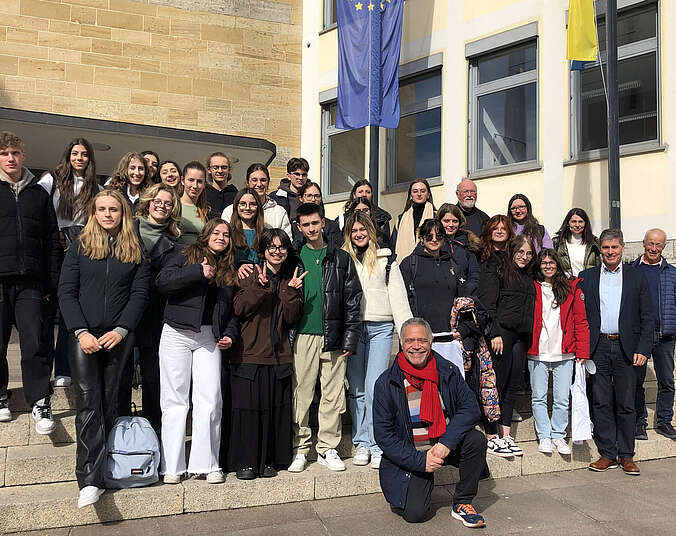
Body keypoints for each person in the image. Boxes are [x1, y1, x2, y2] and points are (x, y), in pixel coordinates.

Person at [58, 189, 150, 508]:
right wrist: (81, 332)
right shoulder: (80, 247)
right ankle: (89, 480)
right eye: (101, 209)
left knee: (112, 403)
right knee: (88, 404)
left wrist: (122, 329)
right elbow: (66, 293)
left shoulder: (134, 248)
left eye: (114, 209)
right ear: (94, 213)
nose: (108, 214)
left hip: (118, 337)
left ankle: (112, 466)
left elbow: (140, 294)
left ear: (122, 213)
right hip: (84, 337)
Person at [373, 317, 487, 528]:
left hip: (444, 443)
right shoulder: (386, 382)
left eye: (422, 341)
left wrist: (446, 444)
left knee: (476, 440)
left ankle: (463, 502)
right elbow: (384, 436)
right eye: (410, 341)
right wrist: (420, 461)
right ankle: (417, 483)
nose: (416, 346)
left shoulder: (447, 370)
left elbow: (470, 407)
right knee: (414, 514)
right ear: (401, 342)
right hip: (413, 452)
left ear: (431, 342)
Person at [155, 219, 239, 484]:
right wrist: (195, 273)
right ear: (206, 234)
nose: (221, 237)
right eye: (216, 232)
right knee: (175, 401)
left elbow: (231, 312)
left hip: (207, 337)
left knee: (211, 399)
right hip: (176, 332)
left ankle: (207, 463)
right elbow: (163, 282)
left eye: (226, 234)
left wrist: (229, 333)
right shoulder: (184, 253)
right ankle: (172, 467)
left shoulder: (228, 269)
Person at [287, 202, 362, 473]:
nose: (310, 229)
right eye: (305, 225)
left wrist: (350, 338)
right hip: (302, 335)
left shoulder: (340, 258)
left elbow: (354, 301)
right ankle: (301, 447)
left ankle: (327, 447)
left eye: (314, 223)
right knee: (302, 394)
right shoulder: (292, 257)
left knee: (332, 394)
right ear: (299, 227)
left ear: (323, 223)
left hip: (333, 335)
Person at [229, 229, 305, 479]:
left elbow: (292, 318)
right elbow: (240, 308)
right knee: (249, 413)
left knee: (275, 411)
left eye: (281, 247)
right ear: (262, 251)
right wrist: (260, 288)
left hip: (279, 356)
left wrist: (293, 293)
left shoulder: (289, 279)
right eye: (271, 247)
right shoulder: (250, 273)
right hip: (250, 354)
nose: (277, 251)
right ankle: (247, 463)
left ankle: (270, 460)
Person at [579, 228, 654, 476]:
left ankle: (627, 455)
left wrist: (644, 348)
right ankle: (608, 454)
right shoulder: (586, 277)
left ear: (622, 248)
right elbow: (580, 317)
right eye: (605, 247)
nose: (610, 252)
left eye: (614, 247)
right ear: (599, 250)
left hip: (627, 348)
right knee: (600, 401)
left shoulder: (636, 277)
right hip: (598, 346)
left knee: (626, 402)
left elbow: (648, 316)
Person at [0, 131, 62, 430]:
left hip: (32, 282)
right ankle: (1, 397)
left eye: (14, 153)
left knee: (35, 342)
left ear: (23, 156)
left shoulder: (39, 193)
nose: (10, 158)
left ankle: (39, 400)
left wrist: (50, 280)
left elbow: (52, 239)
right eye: (4, 153)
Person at [342, 211, 412, 469]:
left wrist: (406, 333)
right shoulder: (344, 260)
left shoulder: (386, 260)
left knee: (375, 387)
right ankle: (361, 441)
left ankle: (376, 442)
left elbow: (399, 297)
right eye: (354, 230)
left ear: (371, 231)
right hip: (353, 330)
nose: (358, 234)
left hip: (381, 327)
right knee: (357, 388)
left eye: (363, 229)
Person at [39, 138, 101, 388]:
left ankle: (64, 369)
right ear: (68, 156)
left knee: (70, 312)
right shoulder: (50, 180)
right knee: (45, 313)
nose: (79, 158)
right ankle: (43, 373)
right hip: (54, 246)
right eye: (75, 153)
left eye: (84, 154)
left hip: (80, 247)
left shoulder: (94, 186)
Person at [477, 234, 536, 457]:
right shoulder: (499, 268)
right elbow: (488, 302)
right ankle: (491, 434)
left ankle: (505, 434)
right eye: (520, 252)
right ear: (512, 251)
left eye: (529, 253)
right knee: (496, 385)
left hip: (521, 336)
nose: (524, 257)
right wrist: (493, 332)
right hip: (501, 334)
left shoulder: (527, 275)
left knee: (511, 386)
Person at [527, 249, 589, 455]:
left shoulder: (571, 287)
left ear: (558, 264)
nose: (547, 265)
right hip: (538, 350)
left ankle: (559, 435)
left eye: (551, 262)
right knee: (539, 397)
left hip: (565, 350)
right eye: (543, 262)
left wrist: (582, 350)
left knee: (562, 398)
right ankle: (544, 435)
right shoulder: (532, 286)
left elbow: (581, 321)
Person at [132, 183, 181, 432]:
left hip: (156, 316)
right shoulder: (128, 229)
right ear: (148, 202)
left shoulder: (174, 239)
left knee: (154, 379)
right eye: (158, 201)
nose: (162, 206)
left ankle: (153, 432)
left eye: (168, 203)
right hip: (126, 312)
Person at [399, 220, 465, 373]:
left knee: (451, 389)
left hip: (449, 339)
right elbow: (402, 301)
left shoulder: (452, 264)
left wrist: (462, 330)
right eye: (429, 236)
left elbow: (463, 300)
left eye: (439, 236)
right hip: (420, 341)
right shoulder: (409, 264)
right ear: (421, 238)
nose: (434, 240)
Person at [631, 229, 676, 440]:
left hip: (665, 336)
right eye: (651, 244)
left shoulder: (672, 273)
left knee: (667, 380)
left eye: (658, 245)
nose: (654, 248)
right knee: (636, 381)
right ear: (644, 243)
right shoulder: (631, 270)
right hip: (640, 336)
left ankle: (664, 421)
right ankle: (639, 422)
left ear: (664, 247)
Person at [221, 163, 291, 239]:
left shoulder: (279, 212)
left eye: (263, 180)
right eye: (254, 180)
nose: (259, 184)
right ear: (247, 182)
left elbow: (287, 241)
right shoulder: (230, 211)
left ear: (268, 182)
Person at [436, 203, 481, 295]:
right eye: (446, 221)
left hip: (463, 295)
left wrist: (465, 292)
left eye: (455, 221)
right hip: (439, 295)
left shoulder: (467, 243)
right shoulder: (432, 242)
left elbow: (474, 273)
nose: (451, 225)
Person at [391, 179, 435, 261]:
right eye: (415, 191)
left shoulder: (436, 216)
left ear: (428, 194)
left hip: (430, 262)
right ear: (411, 195)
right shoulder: (400, 219)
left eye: (423, 191)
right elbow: (393, 244)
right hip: (404, 265)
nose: (419, 194)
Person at [291, 181, 342, 249]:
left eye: (317, 196)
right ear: (301, 198)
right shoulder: (293, 225)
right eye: (309, 196)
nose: (313, 199)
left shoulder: (331, 225)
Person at [553, 208, 601, 278]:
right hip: (566, 285)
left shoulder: (595, 243)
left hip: (587, 283)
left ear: (585, 224)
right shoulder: (557, 242)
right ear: (568, 223)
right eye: (574, 221)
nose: (577, 225)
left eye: (580, 222)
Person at [178, 161, 211, 245]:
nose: (195, 186)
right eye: (191, 180)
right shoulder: (174, 206)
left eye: (199, 181)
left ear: (204, 184)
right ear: (182, 180)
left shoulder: (207, 211)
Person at [230, 188, 264, 266]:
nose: (247, 208)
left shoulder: (265, 233)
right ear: (236, 206)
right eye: (242, 204)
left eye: (252, 204)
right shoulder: (228, 231)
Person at [271, 157, 309, 222]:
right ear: (288, 176)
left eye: (304, 175)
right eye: (297, 174)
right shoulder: (275, 197)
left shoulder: (314, 195)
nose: (300, 178)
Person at [205, 152, 238, 216]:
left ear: (229, 170)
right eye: (215, 167)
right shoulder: (203, 194)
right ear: (209, 170)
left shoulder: (236, 195)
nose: (220, 171)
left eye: (224, 167)